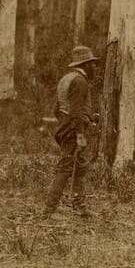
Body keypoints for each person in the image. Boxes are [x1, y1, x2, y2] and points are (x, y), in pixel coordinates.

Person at [43, 46, 99, 219]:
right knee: (66, 168)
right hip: (74, 131)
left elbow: (57, 110)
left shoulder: (66, 79)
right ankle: (49, 210)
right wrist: (80, 135)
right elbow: (75, 113)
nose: (94, 68)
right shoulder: (80, 81)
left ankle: (79, 206)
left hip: (67, 128)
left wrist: (86, 117)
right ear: (86, 65)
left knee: (79, 167)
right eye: (92, 64)